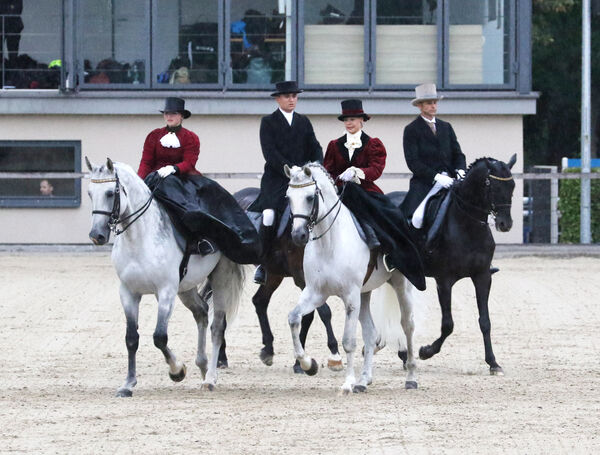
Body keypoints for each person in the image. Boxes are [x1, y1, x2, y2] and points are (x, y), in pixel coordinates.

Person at [138, 97, 261, 265]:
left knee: (211, 196)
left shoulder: (190, 138)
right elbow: (145, 162)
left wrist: (174, 169)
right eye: (167, 113)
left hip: (182, 178)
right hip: (157, 177)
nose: (169, 117)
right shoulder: (153, 136)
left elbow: (189, 162)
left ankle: (202, 238)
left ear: (181, 116)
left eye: (173, 114)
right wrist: (140, 181)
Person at [323, 99, 425, 291]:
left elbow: (376, 169)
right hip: (340, 192)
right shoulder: (334, 145)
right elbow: (327, 171)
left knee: (392, 216)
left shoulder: (373, 144)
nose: (349, 123)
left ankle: (391, 254)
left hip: (365, 190)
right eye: (346, 119)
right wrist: (337, 178)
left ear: (362, 120)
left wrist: (357, 172)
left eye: (353, 119)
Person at [248, 80, 323, 284]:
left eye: (294, 96)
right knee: (269, 215)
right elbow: (270, 153)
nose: (292, 100)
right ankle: (263, 264)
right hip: (277, 179)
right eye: (287, 96)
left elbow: (315, 147)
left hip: (302, 181)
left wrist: (315, 165)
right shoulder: (268, 122)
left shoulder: (304, 121)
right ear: (278, 99)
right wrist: (290, 168)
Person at [401, 83, 466, 228]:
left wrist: (461, 170)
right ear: (420, 106)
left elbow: (458, 154)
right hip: (425, 183)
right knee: (416, 218)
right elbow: (413, 162)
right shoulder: (411, 129)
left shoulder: (446, 127)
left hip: (451, 179)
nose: (433, 106)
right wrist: (436, 177)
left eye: (435, 103)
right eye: (429, 103)